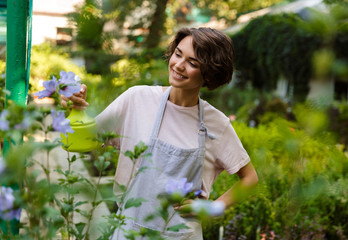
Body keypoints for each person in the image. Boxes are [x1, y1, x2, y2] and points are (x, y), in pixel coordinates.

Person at [63, 27, 258, 239]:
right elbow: (79, 142)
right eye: (178, 54)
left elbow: (250, 179)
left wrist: (212, 209)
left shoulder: (216, 124)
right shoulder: (137, 99)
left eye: (192, 63)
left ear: (209, 73)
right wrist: (74, 110)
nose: (179, 66)